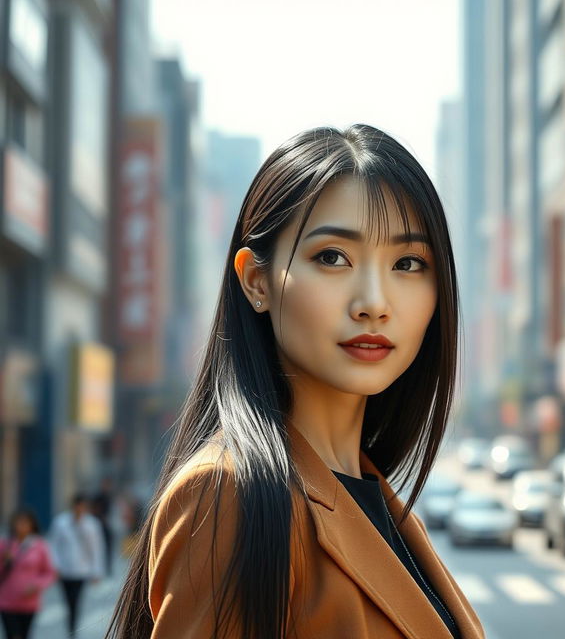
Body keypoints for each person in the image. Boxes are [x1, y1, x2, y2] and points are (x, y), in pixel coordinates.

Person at [106, 124, 486, 638]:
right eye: (332, 257)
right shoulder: (231, 494)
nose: (374, 302)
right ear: (256, 281)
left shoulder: (377, 502)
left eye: (407, 263)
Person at [49, 493, 105, 637]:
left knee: (76, 600)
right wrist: (55, 566)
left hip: (82, 570)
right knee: (68, 601)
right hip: (64, 570)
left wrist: (96, 571)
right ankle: (71, 624)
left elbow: (97, 548)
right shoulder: (60, 522)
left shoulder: (92, 524)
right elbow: (54, 545)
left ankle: (72, 629)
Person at [0, 508, 57, 639]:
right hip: (6, 600)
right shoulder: (5, 544)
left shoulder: (39, 545)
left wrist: (37, 585)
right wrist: (5, 561)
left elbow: (49, 572)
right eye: (18, 522)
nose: (21, 526)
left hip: (29, 601)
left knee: (25, 635)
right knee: (12, 635)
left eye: (25, 523)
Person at [91, 477, 114, 576]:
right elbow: (94, 510)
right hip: (98, 526)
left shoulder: (109, 497)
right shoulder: (98, 497)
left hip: (107, 526)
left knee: (108, 547)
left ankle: (107, 568)